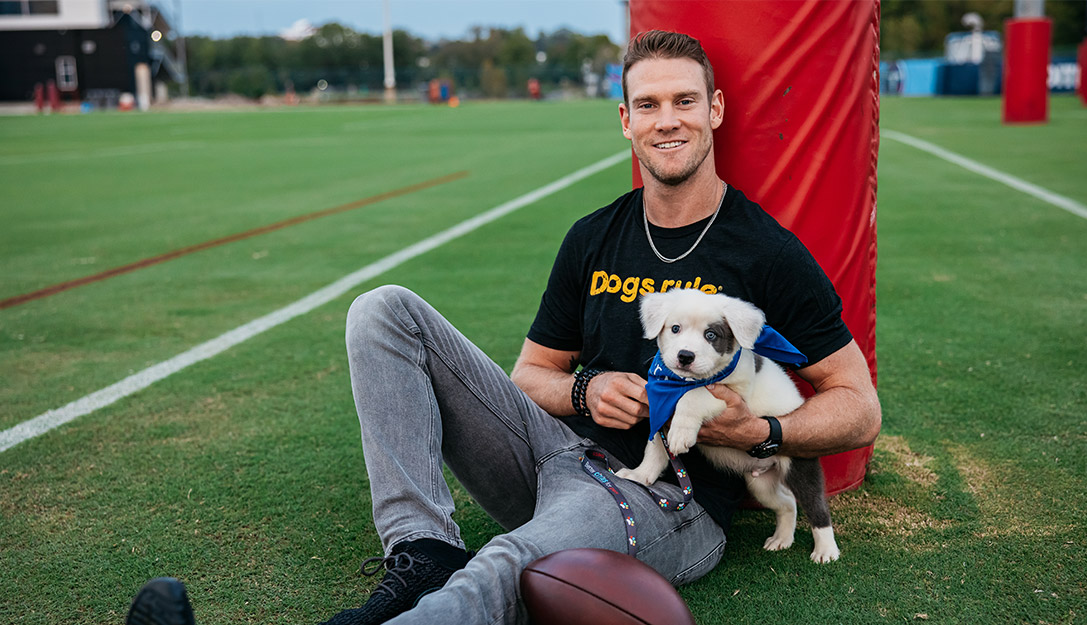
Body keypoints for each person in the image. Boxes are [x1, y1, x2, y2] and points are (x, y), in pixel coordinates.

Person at [125, 29, 880, 625]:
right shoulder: (594, 236)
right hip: (562, 453)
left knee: (509, 559)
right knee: (382, 309)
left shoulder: (766, 251)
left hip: (667, 496)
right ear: (625, 121)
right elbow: (531, 377)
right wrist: (588, 390)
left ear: (714, 110)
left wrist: (763, 434)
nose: (667, 120)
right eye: (647, 105)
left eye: (684, 101)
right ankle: (422, 551)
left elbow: (858, 404)